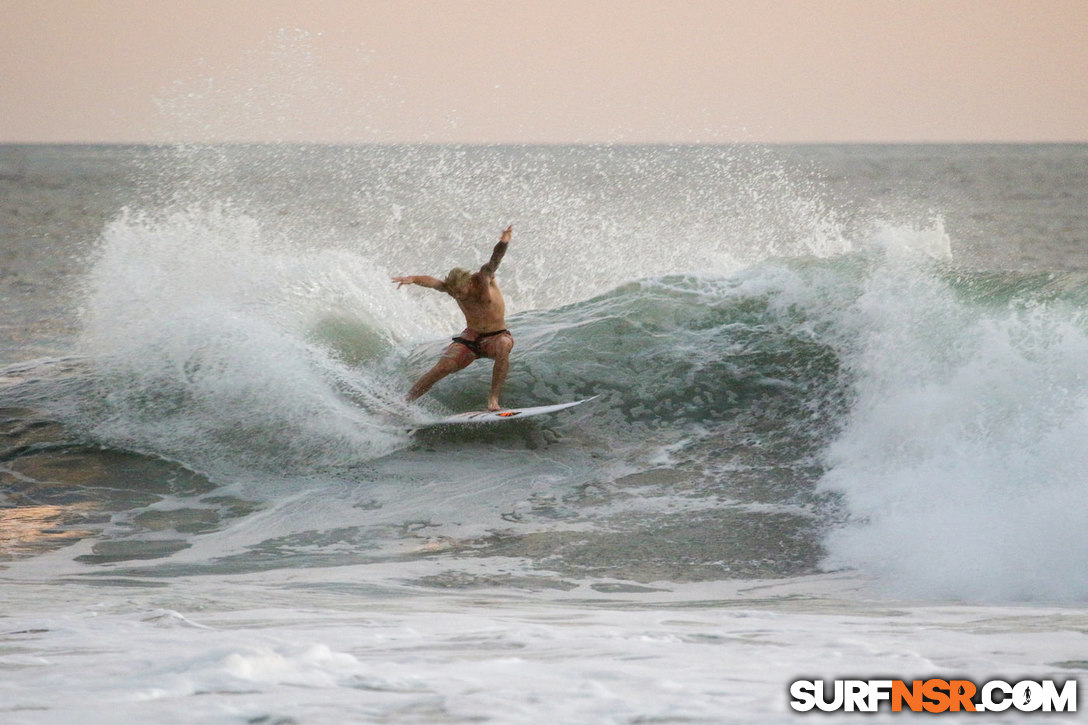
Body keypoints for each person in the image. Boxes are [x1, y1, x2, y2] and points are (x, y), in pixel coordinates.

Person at [392, 225, 514, 411]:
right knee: (441, 368)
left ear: (469, 282)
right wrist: (414, 279)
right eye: (453, 292)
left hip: (496, 336)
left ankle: (493, 400)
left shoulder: (483, 278)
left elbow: (495, 260)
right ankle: (403, 402)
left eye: (459, 291)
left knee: (504, 345)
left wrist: (503, 242)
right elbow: (433, 282)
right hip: (471, 338)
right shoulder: (453, 288)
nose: (456, 296)